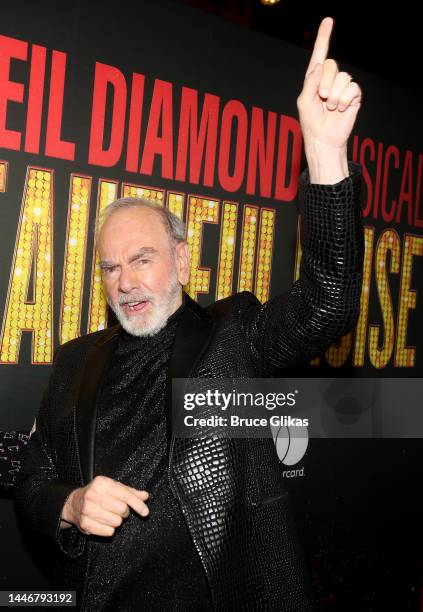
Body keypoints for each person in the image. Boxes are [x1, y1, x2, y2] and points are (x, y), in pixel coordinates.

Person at [15, 16, 363, 611]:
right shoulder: (75, 364)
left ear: (180, 257)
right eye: (109, 267)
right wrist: (69, 505)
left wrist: (325, 155)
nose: (125, 281)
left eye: (141, 259)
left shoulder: (232, 338)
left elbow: (328, 300)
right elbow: (31, 481)